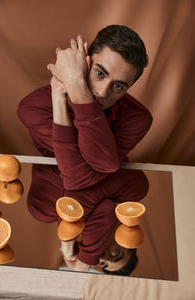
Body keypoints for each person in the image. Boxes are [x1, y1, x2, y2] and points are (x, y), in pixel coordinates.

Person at [17, 24, 152, 272]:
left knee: (45, 208)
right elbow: (92, 172)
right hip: (97, 184)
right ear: (84, 61)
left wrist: (75, 89)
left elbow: (83, 176)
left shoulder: (137, 117)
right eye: (99, 73)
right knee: (136, 186)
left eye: (119, 86)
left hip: (71, 197)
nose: (102, 92)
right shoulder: (34, 108)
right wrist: (60, 98)